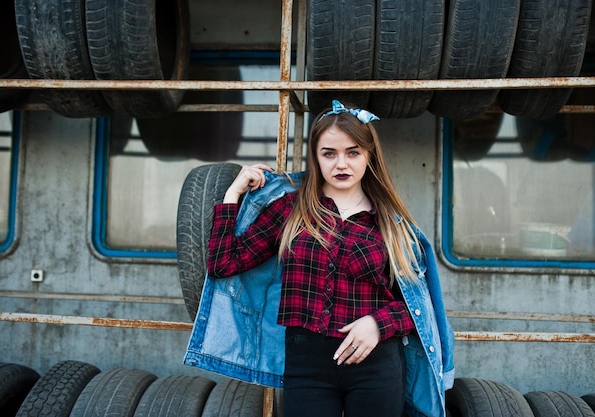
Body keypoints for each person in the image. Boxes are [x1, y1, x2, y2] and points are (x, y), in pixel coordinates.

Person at [185, 99, 454, 417]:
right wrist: (233, 194)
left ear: (369, 156)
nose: (342, 164)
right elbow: (222, 265)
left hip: (376, 363)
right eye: (330, 153)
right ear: (316, 156)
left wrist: (377, 325)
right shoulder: (290, 209)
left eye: (353, 152)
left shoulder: (391, 224)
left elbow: (419, 309)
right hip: (307, 364)